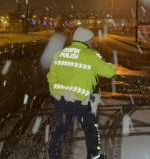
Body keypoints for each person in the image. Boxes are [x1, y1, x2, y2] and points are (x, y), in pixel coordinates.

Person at [47, 27, 116, 159]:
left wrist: (54, 92)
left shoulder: (60, 53)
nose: (91, 42)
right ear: (85, 40)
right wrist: (112, 66)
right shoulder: (91, 55)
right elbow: (109, 72)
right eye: (90, 40)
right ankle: (93, 155)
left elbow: (51, 76)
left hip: (61, 100)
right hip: (83, 102)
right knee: (90, 128)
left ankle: (54, 155)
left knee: (60, 128)